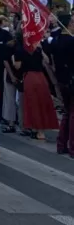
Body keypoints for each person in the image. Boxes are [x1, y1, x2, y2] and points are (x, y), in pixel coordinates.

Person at [12, 32, 58, 141]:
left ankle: (36, 130)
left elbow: (17, 67)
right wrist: (41, 50)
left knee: (33, 104)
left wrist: (14, 60)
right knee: (42, 102)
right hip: (41, 77)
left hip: (29, 78)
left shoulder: (20, 50)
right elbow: (46, 61)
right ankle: (40, 130)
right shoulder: (38, 49)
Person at [52, 14, 74, 155]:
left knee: (67, 112)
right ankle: (72, 147)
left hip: (61, 80)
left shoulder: (56, 40)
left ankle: (61, 144)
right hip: (71, 79)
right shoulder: (71, 41)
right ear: (70, 23)